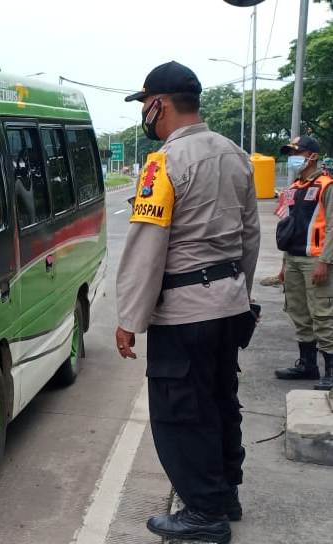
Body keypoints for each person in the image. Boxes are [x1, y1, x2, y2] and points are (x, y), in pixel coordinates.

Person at [116, 61, 260, 543]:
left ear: (159, 103)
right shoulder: (234, 153)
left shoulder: (163, 163)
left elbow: (146, 245)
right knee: (221, 400)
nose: (146, 115)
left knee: (182, 412)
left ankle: (204, 513)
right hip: (228, 303)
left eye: (145, 104)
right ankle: (225, 493)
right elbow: (251, 237)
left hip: (184, 312)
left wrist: (129, 318)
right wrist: (242, 292)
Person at [273, 136, 333, 391]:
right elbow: (288, 227)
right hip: (294, 259)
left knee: (322, 314)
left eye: (297, 153)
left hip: (316, 261)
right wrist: (284, 264)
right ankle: (308, 365)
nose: (293, 158)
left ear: (313, 156)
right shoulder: (295, 187)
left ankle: (330, 371)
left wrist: (325, 261)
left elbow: (332, 226)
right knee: (298, 312)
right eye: (290, 153)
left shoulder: (326, 185)